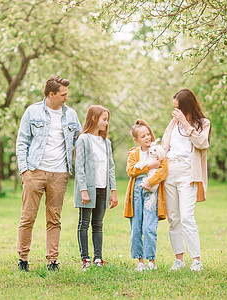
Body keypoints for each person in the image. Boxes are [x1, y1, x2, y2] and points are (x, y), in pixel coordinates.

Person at [15, 76, 82, 272]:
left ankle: (52, 261)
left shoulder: (71, 115)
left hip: (60, 173)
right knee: (28, 217)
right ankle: (23, 259)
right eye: (63, 95)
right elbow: (22, 142)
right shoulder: (32, 111)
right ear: (51, 94)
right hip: (34, 171)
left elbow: (80, 140)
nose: (66, 98)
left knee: (54, 219)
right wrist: (25, 170)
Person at [161, 88, 211, 272]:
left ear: (187, 106)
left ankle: (196, 260)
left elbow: (202, 143)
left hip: (187, 174)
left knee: (187, 217)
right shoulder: (173, 123)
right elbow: (164, 146)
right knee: (173, 218)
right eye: (174, 108)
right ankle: (179, 259)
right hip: (170, 173)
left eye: (179, 108)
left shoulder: (203, 123)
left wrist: (185, 123)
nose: (175, 112)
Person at [74, 105, 118, 270]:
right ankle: (85, 258)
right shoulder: (83, 139)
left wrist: (113, 191)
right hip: (88, 190)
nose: (106, 123)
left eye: (107, 120)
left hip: (103, 188)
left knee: (98, 224)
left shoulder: (106, 142)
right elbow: (80, 167)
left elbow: (111, 167)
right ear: (94, 118)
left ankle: (98, 258)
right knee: (84, 223)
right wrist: (83, 190)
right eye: (104, 119)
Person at [125, 119, 168, 272]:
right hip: (136, 191)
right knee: (136, 227)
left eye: (148, 134)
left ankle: (151, 261)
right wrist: (148, 166)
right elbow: (130, 170)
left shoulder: (158, 151)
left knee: (149, 227)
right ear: (136, 140)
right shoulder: (134, 153)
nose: (148, 138)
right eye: (143, 136)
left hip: (152, 191)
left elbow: (163, 170)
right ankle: (140, 261)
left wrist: (150, 181)